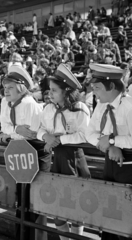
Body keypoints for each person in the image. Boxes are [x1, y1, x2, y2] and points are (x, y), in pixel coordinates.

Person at [37, 64, 90, 240]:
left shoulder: (80, 108)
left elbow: (85, 135)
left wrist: (60, 139)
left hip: (74, 157)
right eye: (49, 90)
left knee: (77, 205)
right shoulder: (48, 108)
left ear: (66, 91)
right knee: (57, 206)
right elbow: (40, 129)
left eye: (54, 90)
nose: (49, 94)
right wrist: (46, 137)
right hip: (57, 158)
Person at [0, 64, 52, 240]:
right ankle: (22, 235)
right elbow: (4, 127)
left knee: (36, 199)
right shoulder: (4, 103)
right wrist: (14, 131)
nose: (6, 91)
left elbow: (29, 133)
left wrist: (11, 133)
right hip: (19, 152)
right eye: (5, 87)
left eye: (10, 88)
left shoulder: (29, 104)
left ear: (21, 88)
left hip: (35, 153)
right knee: (21, 199)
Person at [85, 63, 132, 240]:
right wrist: (110, 145)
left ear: (111, 86)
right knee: (109, 217)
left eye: (97, 87)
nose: (93, 92)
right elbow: (89, 133)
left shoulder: (129, 106)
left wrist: (113, 140)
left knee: (126, 221)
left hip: (128, 165)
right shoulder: (101, 106)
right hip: (110, 161)